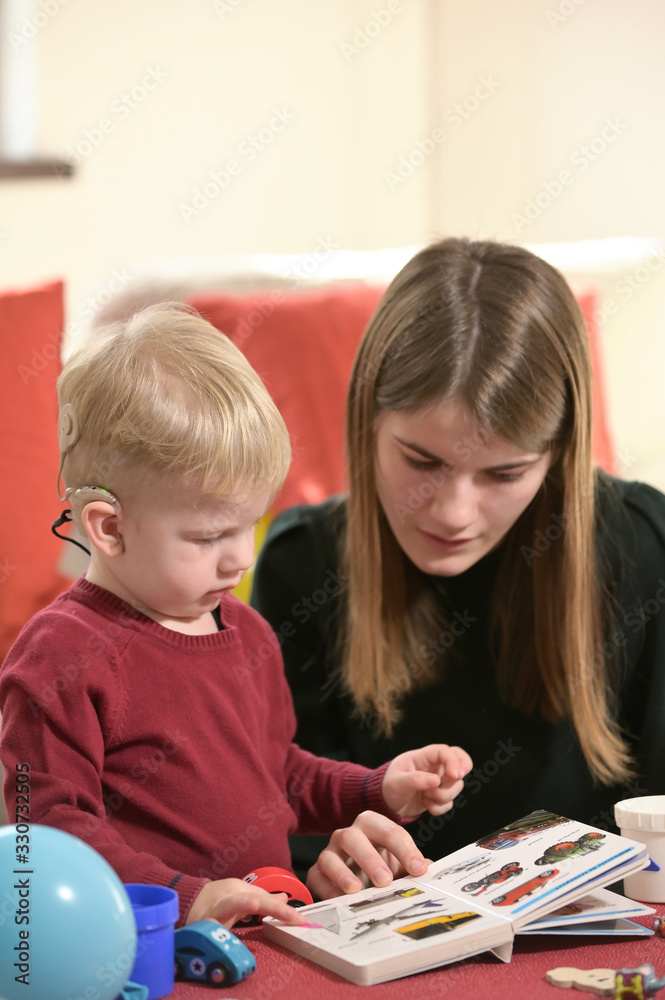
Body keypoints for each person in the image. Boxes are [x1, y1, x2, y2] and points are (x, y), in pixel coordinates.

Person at [0, 304, 473, 929]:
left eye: (249, 525)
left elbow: (278, 773)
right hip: (144, 950)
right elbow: (44, 832)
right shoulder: (59, 655)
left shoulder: (244, 630)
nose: (241, 559)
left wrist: (376, 787)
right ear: (109, 529)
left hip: (267, 933)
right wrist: (189, 897)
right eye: (207, 537)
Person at [250, 237, 665, 874]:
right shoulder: (303, 564)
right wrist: (316, 867)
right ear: (367, 420)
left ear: (558, 454)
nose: (453, 513)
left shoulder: (645, 547)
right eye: (422, 462)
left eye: (504, 475)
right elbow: (281, 827)